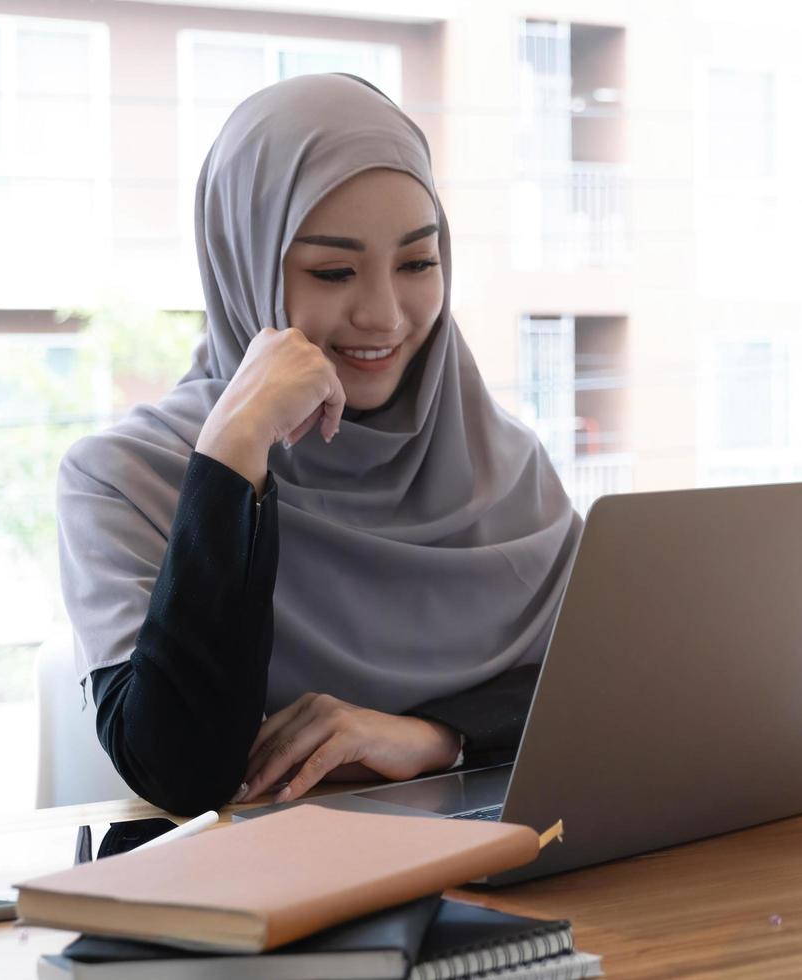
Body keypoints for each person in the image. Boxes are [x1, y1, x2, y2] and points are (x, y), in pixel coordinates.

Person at [55, 74, 582, 817]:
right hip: (270, 907)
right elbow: (181, 768)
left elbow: (611, 683)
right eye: (333, 271)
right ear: (245, 267)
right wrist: (234, 457)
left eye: (418, 264)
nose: (385, 315)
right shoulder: (124, 481)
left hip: (513, 874)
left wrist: (432, 737)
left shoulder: (508, 468)